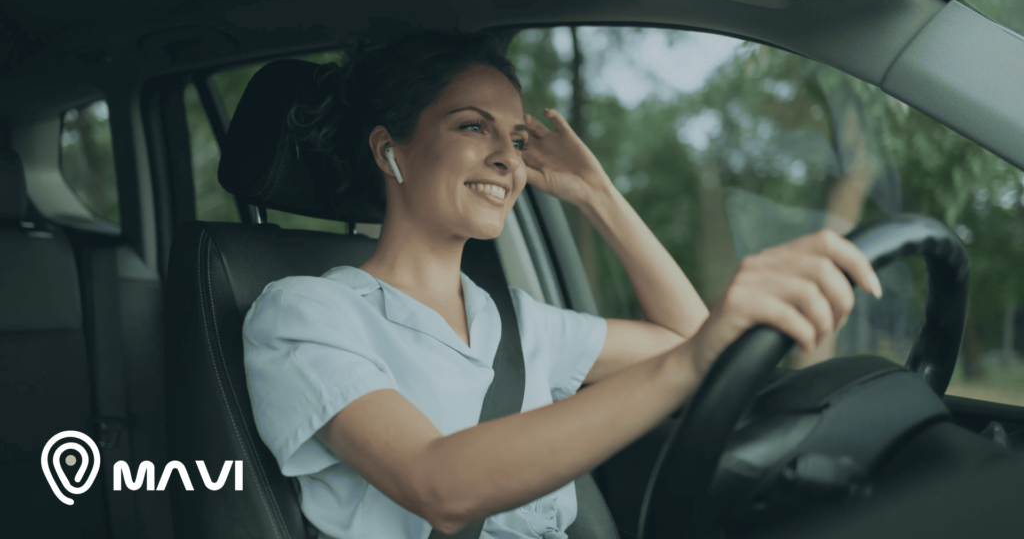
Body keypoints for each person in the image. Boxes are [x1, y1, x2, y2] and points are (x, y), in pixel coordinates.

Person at [241, 29, 883, 539]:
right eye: (472, 126)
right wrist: (698, 353)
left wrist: (598, 197)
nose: (506, 157)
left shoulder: (519, 322)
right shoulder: (304, 314)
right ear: (390, 152)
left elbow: (693, 343)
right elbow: (439, 488)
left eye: (515, 138)